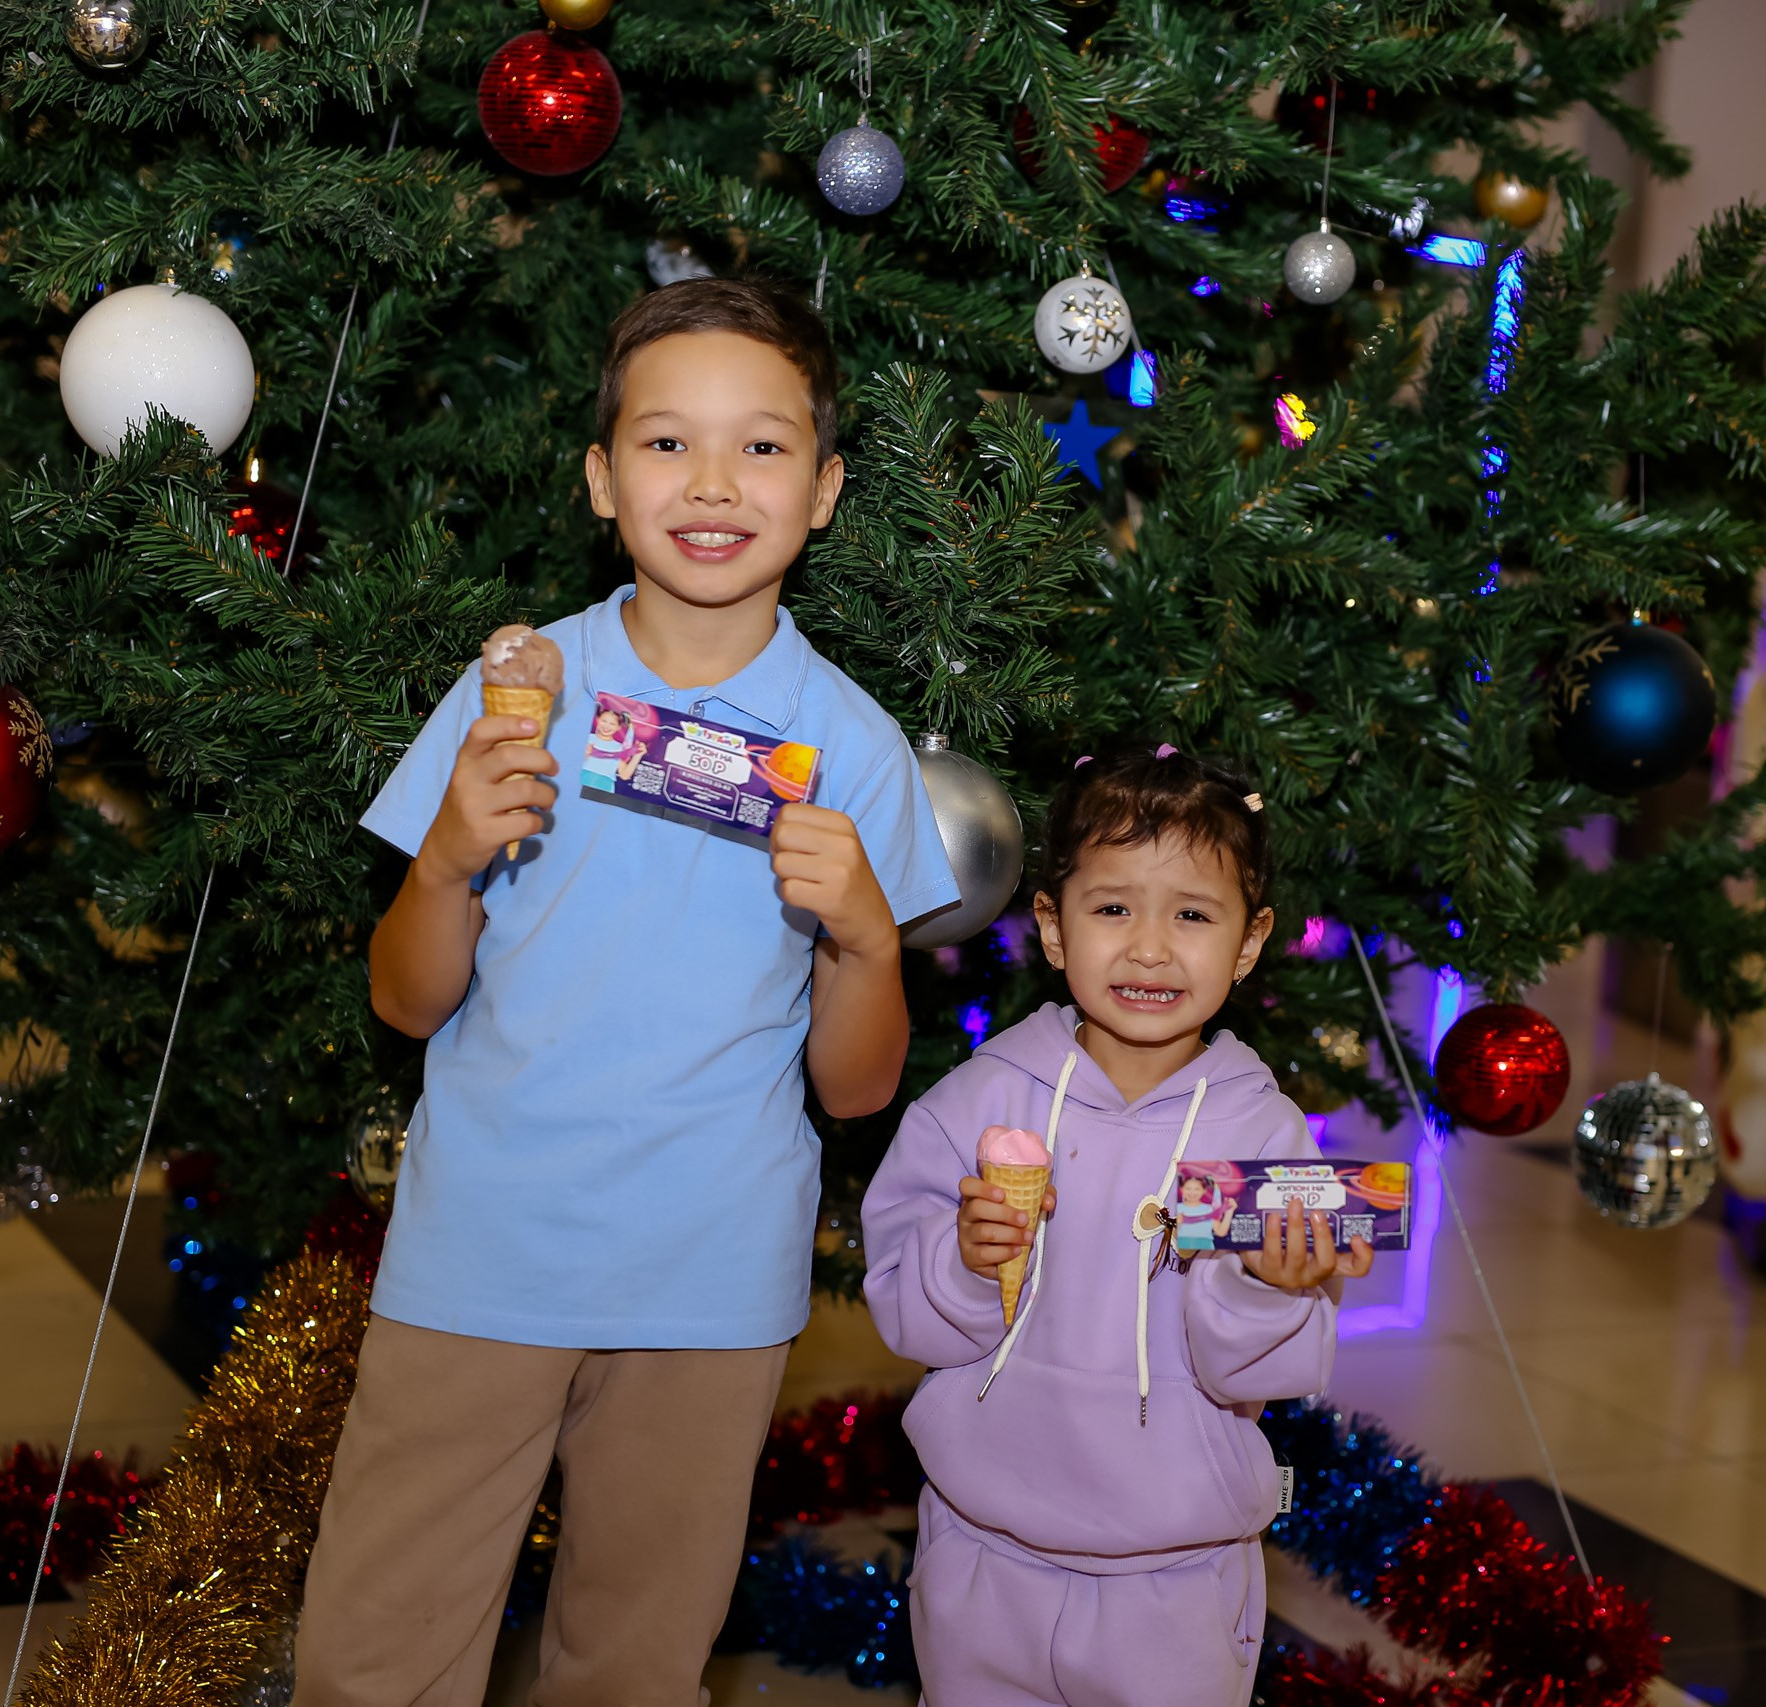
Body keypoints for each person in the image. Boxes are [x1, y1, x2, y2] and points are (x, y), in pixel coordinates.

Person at [293, 277, 960, 1707]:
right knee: (380, 1641)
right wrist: (450, 862)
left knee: (637, 1653)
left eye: (764, 446)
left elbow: (854, 1087)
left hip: (709, 1276)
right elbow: (406, 1003)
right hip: (482, 1247)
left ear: (827, 488)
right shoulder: (512, 697)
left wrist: (865, 940)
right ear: (602, 479)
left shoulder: (850, 747)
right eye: (666, 443)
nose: (714, 482)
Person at [862, 743, 1373, 1707]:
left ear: (1251, 940)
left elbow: (1254, 1376)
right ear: (1053, 927)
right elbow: (908, 1319)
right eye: (1112, 908)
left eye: (1191, 913)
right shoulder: (975, 1103)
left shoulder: (1263, 1133)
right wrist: (971, 1265)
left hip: (1172, 1583)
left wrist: (1269, 1285)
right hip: (982, 1559)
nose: (1149, 948)